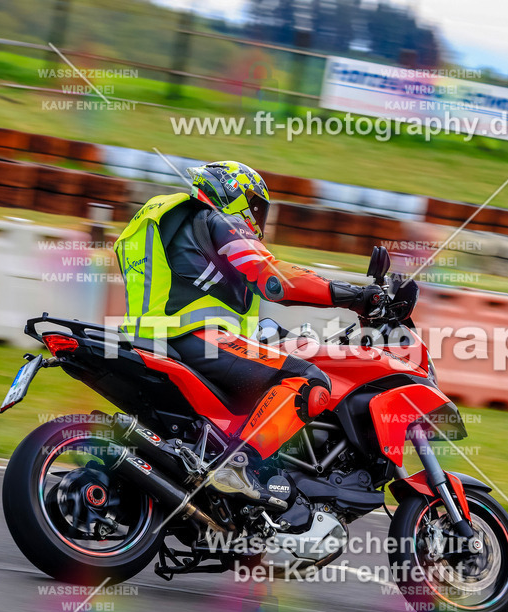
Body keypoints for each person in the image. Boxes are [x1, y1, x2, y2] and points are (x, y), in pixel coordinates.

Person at [114, 160, 383, 509]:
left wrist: (290, 337)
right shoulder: (219, 220)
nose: (257, 217)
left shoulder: (167, 224)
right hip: (195, 340)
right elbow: (274, 279)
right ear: (233, 192)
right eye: (255, 205)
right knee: (309, 382)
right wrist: (355, 296)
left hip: (150, 339)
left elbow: (211, 303)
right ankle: (238, 465)